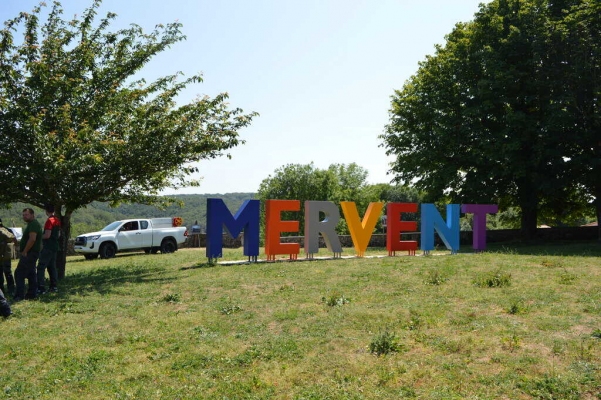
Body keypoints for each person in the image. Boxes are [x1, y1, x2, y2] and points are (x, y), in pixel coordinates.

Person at [13, 208, 42, 301]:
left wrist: (25, 251)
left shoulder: (33, 224)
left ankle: (19, 295)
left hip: (30, 253)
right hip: (32, 252)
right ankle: (32, 294)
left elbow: (32, 239)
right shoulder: (31, 224)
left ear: (32, 215)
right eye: (23, 215)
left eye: (26, 214)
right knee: (31, 273)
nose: (24, 216)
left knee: (19, 273)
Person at [37, 204, 61, 294]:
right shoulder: (57, 220)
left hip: (48, 247)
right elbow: (58, 234)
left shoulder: (49, 221)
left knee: (41, 267)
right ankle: (53, 286)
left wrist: (38, 237)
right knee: (52, 267)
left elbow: (47, 235)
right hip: (55, 246)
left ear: (46, 211)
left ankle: (41, 287)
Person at [0, 218, 16, 296]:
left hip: (1, 255)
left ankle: (2, 291)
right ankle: (11, 289)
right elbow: (15, 240)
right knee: (8, 272)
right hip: (7, 255)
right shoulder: (7, 230)